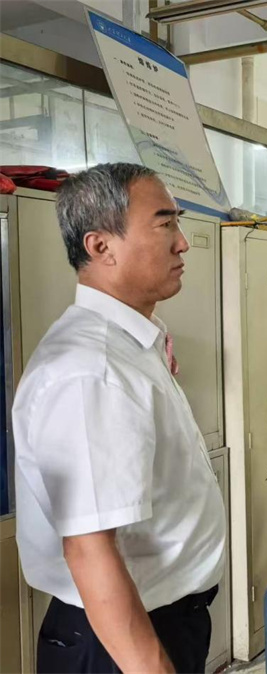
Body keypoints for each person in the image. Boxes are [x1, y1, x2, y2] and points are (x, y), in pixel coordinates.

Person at [13, 163, 226, 673]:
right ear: (100, 246)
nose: (183, 243)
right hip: (119, 639)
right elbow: (89, 550)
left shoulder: (131, 346)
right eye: (165, 223)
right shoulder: (93, 369)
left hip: (156, 619)